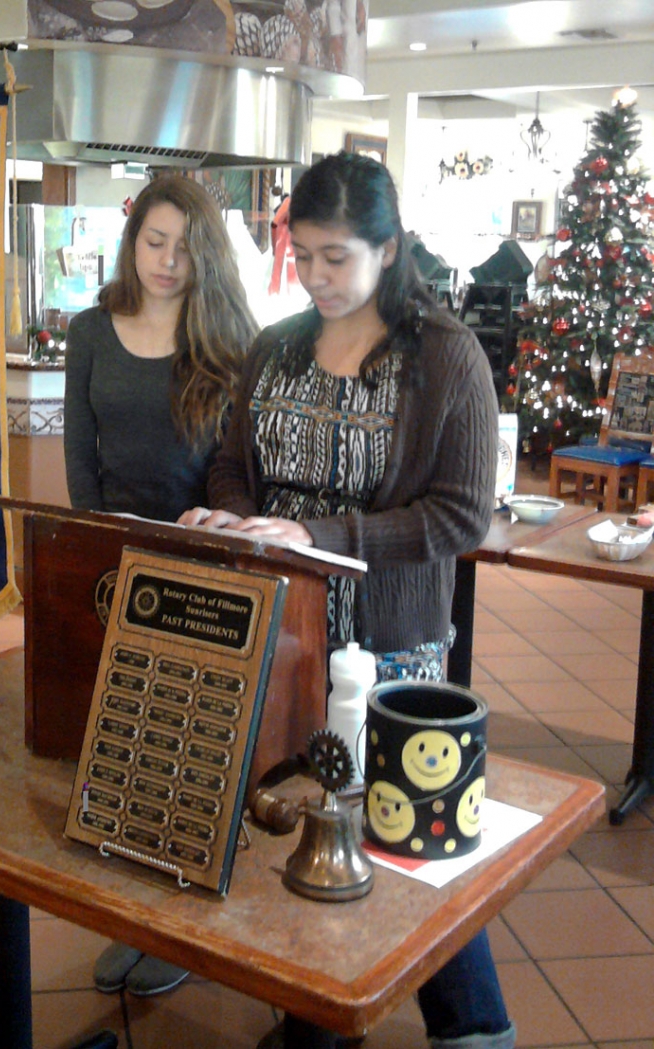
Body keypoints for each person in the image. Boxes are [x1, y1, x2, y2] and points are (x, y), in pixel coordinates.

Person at [179, 152, 516, 1049]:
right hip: (283, 633)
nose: (318, 276)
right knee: (307, 824)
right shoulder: (277, 345)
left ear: (388, 248)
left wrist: (316, 537)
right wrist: (239, 517)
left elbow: (458, 516)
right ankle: (318, 1016)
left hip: (388, 639)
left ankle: (473, 1023)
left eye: (339, 258)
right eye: (305, 253)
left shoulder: (443, 356)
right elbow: (232, 464)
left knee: (409, 836)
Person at [63, 173, 258, 997]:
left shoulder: (231, 344)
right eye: (155, 241)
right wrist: (100, 563)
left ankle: (180, 927)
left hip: (202, 577)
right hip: (113, 568)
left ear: (206, 255)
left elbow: (236, 477)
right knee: (119, 753)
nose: (168, 261)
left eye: (185, 247)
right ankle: (132, 918)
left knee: (188, 755)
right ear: (131, 237)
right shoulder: (89, 331)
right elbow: (82, 463)